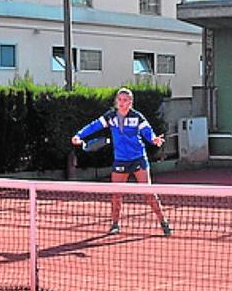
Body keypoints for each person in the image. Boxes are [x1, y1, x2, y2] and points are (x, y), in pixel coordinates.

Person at [72, 87, 172, 236]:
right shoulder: (110, 117)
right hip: (120, 160)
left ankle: (163, 222)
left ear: (130, 102)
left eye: (125, 100)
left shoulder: (137, 117)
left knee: (149, 193)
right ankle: (115, 224)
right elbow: (94, 126)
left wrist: (153, 139)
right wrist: (79, 135)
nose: (121, 102)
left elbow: (147, 131)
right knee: (116, 194)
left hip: (138, 158)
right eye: (119, 100)